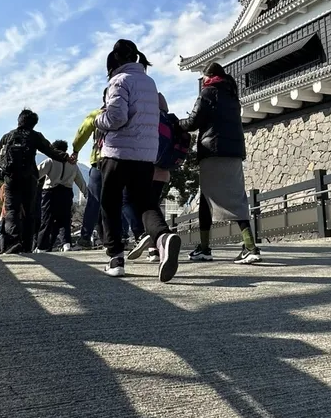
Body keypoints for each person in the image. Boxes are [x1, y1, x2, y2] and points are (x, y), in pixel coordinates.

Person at [95, 39, 181, 280]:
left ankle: (115, 258)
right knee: (145, 204)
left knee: (110, 203)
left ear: (116, 61)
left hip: (118, 154)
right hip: (145, 156)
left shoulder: (119, 81)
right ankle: (163, 237)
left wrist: (97, 120)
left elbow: (117, 117)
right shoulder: (149, 82)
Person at [180, 62, 261, 264]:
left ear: (208, 77)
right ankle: (237, 246)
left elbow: (192, 122)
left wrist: (175, 123)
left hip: (213, 152)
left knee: (215, 201)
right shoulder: (233, 96)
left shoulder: (208, 92)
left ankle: (240, 248)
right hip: (234, 153)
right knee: (230, 199)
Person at [0, 109, 70, 254]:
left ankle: (13, 242)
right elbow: (51, 152)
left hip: (11, 179)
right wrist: (66, 157)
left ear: (19, 120)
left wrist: (6, 171)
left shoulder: (7, 136)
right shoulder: (35, 136)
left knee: (12, 211)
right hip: (29, 179)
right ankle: (27, 246)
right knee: (29, 213)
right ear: (34, 124)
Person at [126, 92, 173, 264]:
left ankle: (159, 238)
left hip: (146, 168)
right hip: (164, 170)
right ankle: (155, 248)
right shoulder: (164, 111)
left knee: (138, 205)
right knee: (151, 205)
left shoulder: (144, 116)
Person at [36, 140, 87, 252]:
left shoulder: (50, 161)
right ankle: (66, 244)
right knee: (65, 219)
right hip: (66, 192)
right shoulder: (73, 164)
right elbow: (80, 181)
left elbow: (37, 173)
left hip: (50, 192)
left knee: (46, 219)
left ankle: (41, 246)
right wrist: (86, 193)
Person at [72, 103, 103, 249]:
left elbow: (82, 132)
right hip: (123, 162)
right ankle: (120, 236)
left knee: (93, 201)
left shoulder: (97, 114)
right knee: (120, 201)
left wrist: (76, 149)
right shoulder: (127, 113)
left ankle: (85, 238)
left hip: (99, 161)